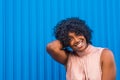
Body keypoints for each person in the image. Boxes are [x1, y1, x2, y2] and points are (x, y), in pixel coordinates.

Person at [46, 17, 116, 80]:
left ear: (84, 33)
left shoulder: (104, 54)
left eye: (78, 34)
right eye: (70, 39)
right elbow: (51, 47)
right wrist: (65, 40)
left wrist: (70, 40)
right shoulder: (68, 58)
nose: (76, 40)